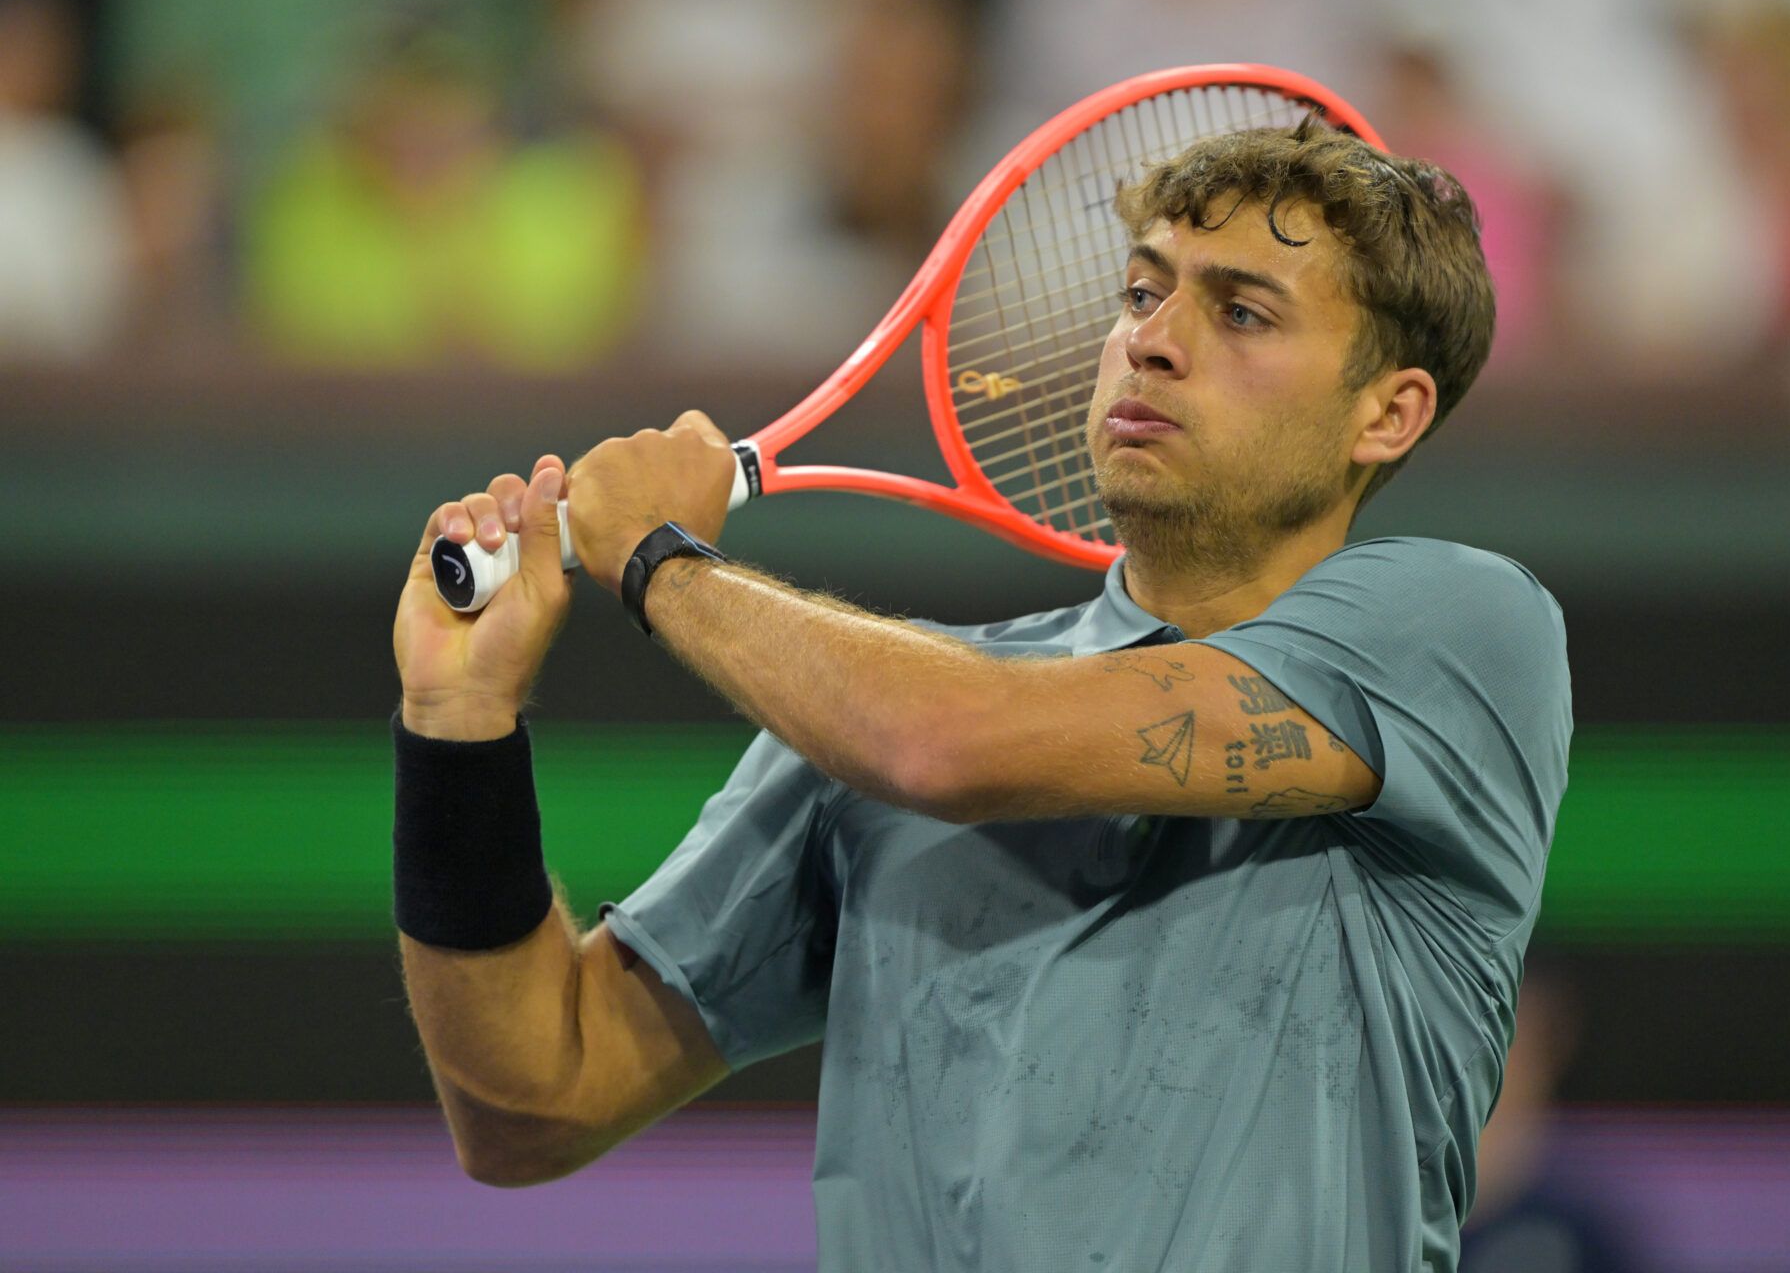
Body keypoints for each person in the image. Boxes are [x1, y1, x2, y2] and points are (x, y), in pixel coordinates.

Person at [390, 121, 1572, 1272]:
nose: (1153, 340)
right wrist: (459, 731)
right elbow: (532, 1101)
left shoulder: (1463, 634)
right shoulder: (858, 717)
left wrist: (655, 557)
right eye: (1142, 292)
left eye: (1243, 310)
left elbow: (944, 740)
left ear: (1390, 412)